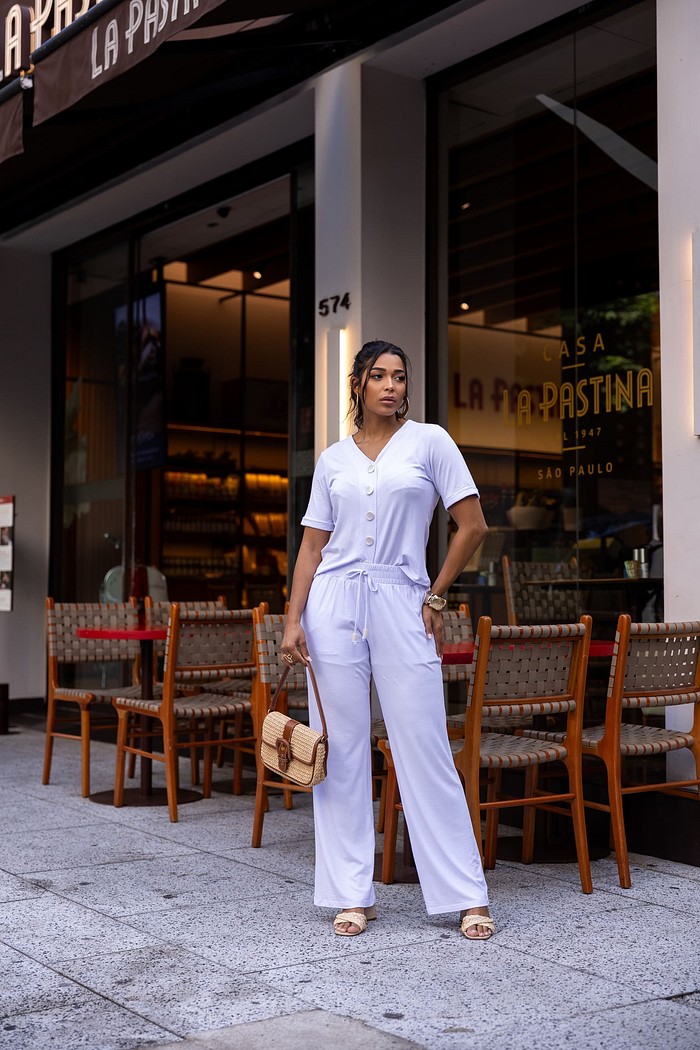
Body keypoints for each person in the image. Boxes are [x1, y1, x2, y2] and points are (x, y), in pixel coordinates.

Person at [280, 340, 495, 940]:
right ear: (358, 384)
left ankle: (465, 894)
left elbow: (473, 524)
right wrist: (293, 620)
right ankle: (351, 894)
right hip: (332, 604)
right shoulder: (333, 460)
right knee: (342, 750)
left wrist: (436, 594)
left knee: (424, 744)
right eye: (379, 376)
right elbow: (312, 547)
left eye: (400, 376)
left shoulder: (430, 442)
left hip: (404, 599)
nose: (392, 386)